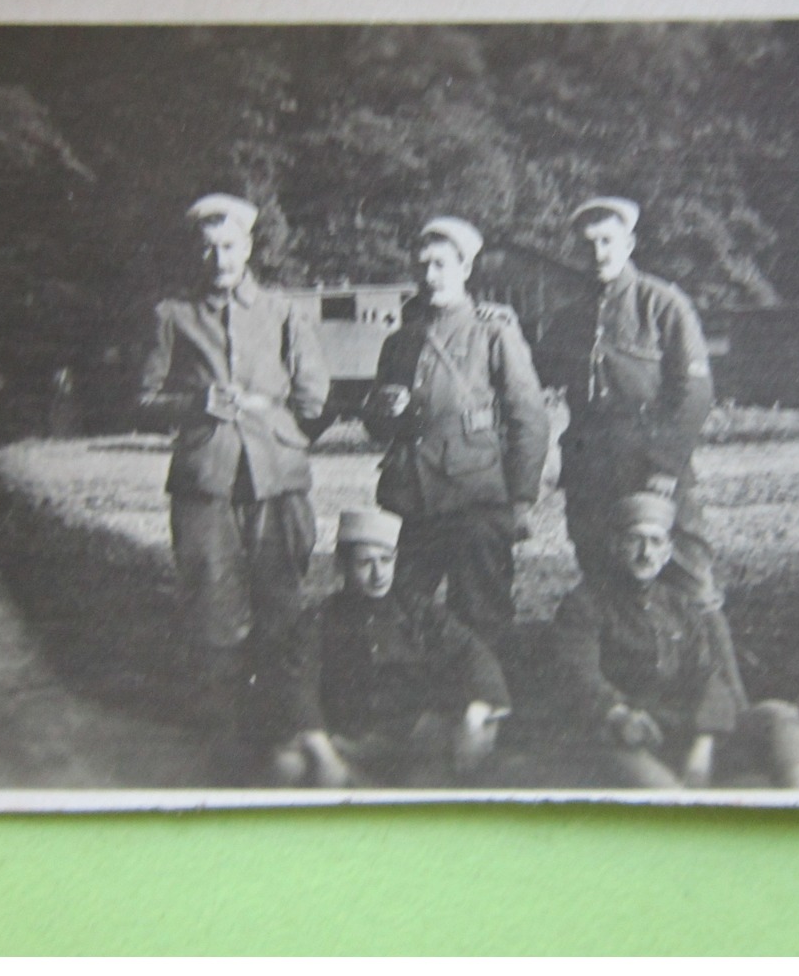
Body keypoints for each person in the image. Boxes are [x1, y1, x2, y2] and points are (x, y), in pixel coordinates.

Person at [137, 192, 330, 741]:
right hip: (206, 478)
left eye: (229, 247)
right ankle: (223, 732)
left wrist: (277, 427)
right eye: (208, 249)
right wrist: (193, 405)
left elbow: (315, 398)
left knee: (282, 598)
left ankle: (288, 724)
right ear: (196, 254)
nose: (219, 260)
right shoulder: (173, 317)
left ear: (248, 248)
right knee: (210, 600)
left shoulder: (284, 311)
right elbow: (141, 398)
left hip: (277, 479)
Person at [362, 217, 550, 648]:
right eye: (423, 265)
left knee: (482, 615)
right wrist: (383, 410)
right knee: (402, 614)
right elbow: (375, 426)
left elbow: (529, 418)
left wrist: (520, 499)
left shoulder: (493, 331)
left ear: (465, 269)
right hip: (410, 501)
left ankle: (486, 704)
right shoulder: (400, 342)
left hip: (475, 500)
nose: (430, 277)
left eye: (442, 265)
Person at [551, 493, 799, 789]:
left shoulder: (678, 604)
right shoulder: (585, 604)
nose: (645, 553)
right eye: (634, 540)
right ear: (615, 546)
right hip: (620, 735)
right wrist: (617, 713)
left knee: (777, 717)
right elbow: (579, 675)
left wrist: (703, 743)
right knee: (666, 796)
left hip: (683, 731)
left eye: (655, 542)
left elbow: (709, 676)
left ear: (667, 552)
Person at [535, 196, 717, 586]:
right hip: (591, 472)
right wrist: (495, 320)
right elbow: (534, 369)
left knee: (686, 575)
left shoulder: (663, 304)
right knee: (602, 577)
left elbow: (696, 394)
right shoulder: (571, 317)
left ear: (629, 245)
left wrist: (666, 466)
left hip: (650, 466)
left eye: (607, 241)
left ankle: (707, 647)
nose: (598, 253)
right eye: (589, 244)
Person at [272, 509, 513, 787]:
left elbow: (473, 654)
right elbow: (297, 682)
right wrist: (324, 754)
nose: (378, 574)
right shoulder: (321, 618)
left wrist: (476, 713)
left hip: (412, 741)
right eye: (365, 563)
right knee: (287, 765)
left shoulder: (420, 612)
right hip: (346, 744)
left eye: (386, 560)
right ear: (341, 566)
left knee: (461, 756)